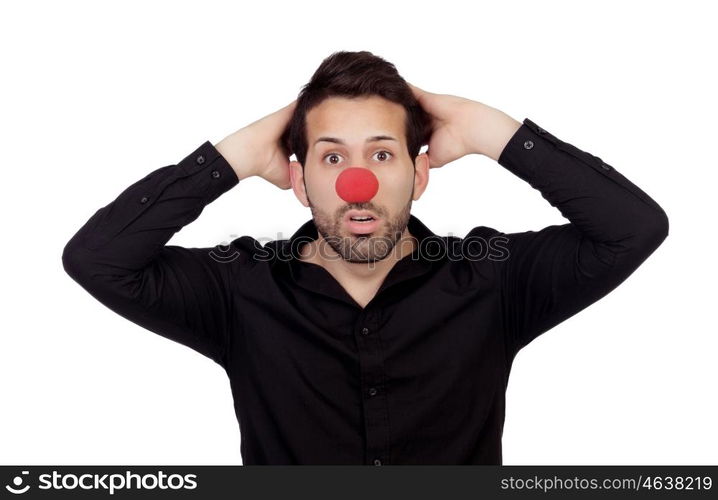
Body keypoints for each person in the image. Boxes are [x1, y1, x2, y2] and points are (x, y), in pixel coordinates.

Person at [62, 50, 669, 465]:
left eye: (382, 155)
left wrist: (493, 131)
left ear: (419, 172)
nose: (359, 183)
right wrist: (232, 157)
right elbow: (98, 260)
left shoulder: (493, 280)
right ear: (299, 183)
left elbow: (633, 228)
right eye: (332, 158)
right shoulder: (238, 291)